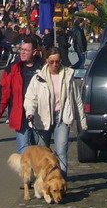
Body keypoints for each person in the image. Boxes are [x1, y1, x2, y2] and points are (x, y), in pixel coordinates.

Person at [23, 46, 86, 177]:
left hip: (62, 117)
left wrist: (82, 122)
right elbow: (30, 98)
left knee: (61, 151)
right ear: (47, 61)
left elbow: (77, 100)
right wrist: (30, 113)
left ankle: (61, 182)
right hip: (42, 118)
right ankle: (44, 182)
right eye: (52, 62)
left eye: (57, 61)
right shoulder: (38, 78)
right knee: (43, 154)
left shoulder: (68, 75)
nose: (55, 65)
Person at [0, 37, 45, 153]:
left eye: (26, 50)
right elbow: (4, 92)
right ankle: (26, 171)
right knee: (23, 151)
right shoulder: (13, 68)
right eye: (21, 49)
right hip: (20, 113)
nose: (23, 52)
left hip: (40, 113)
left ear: (35, 52)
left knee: (40, 151)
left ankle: (37, 171)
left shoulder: (44, 67)